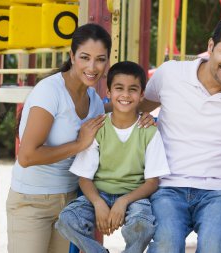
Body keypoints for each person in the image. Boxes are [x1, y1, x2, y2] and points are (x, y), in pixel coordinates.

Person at [141, 15, 221, 253]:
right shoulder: (170, 74)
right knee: (166, 243)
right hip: (168, 186)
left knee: (213, 247)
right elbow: (134, 106)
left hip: (220, 191)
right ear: (210, 46)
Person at [6, 23, 112, 253]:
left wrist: (144, 118)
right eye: (85, 57)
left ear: (107, 62)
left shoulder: (95, 103)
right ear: (72, 56)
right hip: (31, 202)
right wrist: (78, 144)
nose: (92, 67)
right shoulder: (50, 91)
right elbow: (26, 156)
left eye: (100, 59)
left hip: (69, 203)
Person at [55, 61, 170, 253]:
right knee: (67, 220)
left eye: (132, 89)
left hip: (134, 196)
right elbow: (84, 177)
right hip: (99, 193)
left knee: (142, 226)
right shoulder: (98, 128)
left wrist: (123, 201)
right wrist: (98, 203)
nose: (125, 95)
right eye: (119, 88)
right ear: (108, 93)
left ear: (142, 95)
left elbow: (152, 182)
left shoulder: (149, 131)